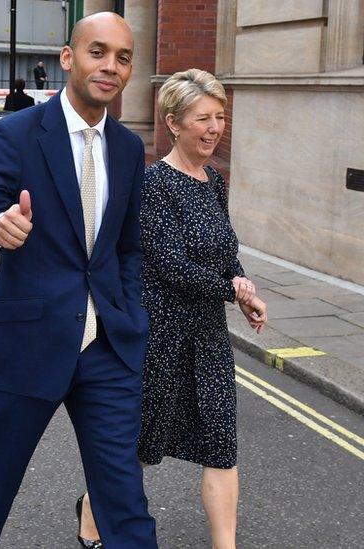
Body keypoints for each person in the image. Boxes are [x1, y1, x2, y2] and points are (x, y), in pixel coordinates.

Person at [0, 13, 158, 547]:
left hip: (107, 348)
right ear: (68, 57)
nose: (111, 66)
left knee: (125, 500)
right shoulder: (16, 133)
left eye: (124, 57)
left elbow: (126, 248)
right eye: (98, 52)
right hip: (27, 343)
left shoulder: (129, 149)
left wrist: (130, 312)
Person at [76, 69, 267, 549]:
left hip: (208, 337)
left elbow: (223, 251)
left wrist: (243, 287)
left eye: (220, 117)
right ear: (174, 123)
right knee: (141, 447)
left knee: (221, 447)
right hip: (162, 336)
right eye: (203, 117)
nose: (214, 127)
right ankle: (91, 510)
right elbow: (171, 266)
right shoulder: (154, 184)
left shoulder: (213, 181)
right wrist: (233, 290)